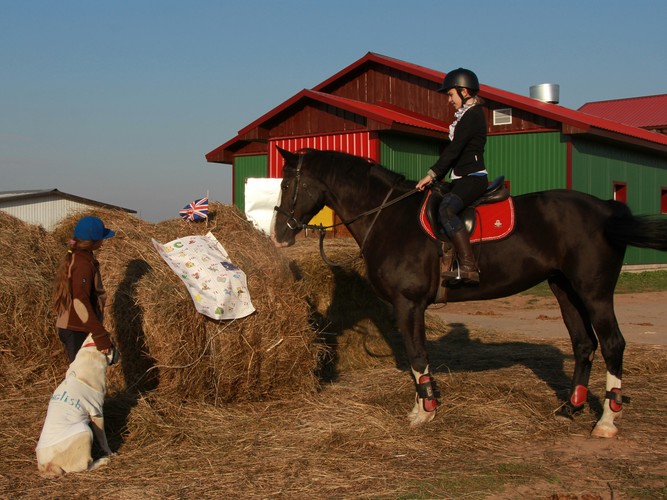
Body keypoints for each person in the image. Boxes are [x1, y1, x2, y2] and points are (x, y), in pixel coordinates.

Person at [417, 68, 488, 285]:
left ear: (464, 91)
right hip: (461, 177)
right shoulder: (467, 115)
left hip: (473, 178)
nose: (449, 100)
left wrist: (432, 174)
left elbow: (454, 149)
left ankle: (468, 265)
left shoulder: (473, 115)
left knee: (446, 210)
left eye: (450, 94)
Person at [52, 216, 115, 362]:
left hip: (76, 327)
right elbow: (80, 302)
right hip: (76, 329)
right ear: (94, 242)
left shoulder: (81, 257)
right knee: (79, 378)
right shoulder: (83, 265)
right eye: (102, 238)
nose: (103, 241)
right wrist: (100, 335)